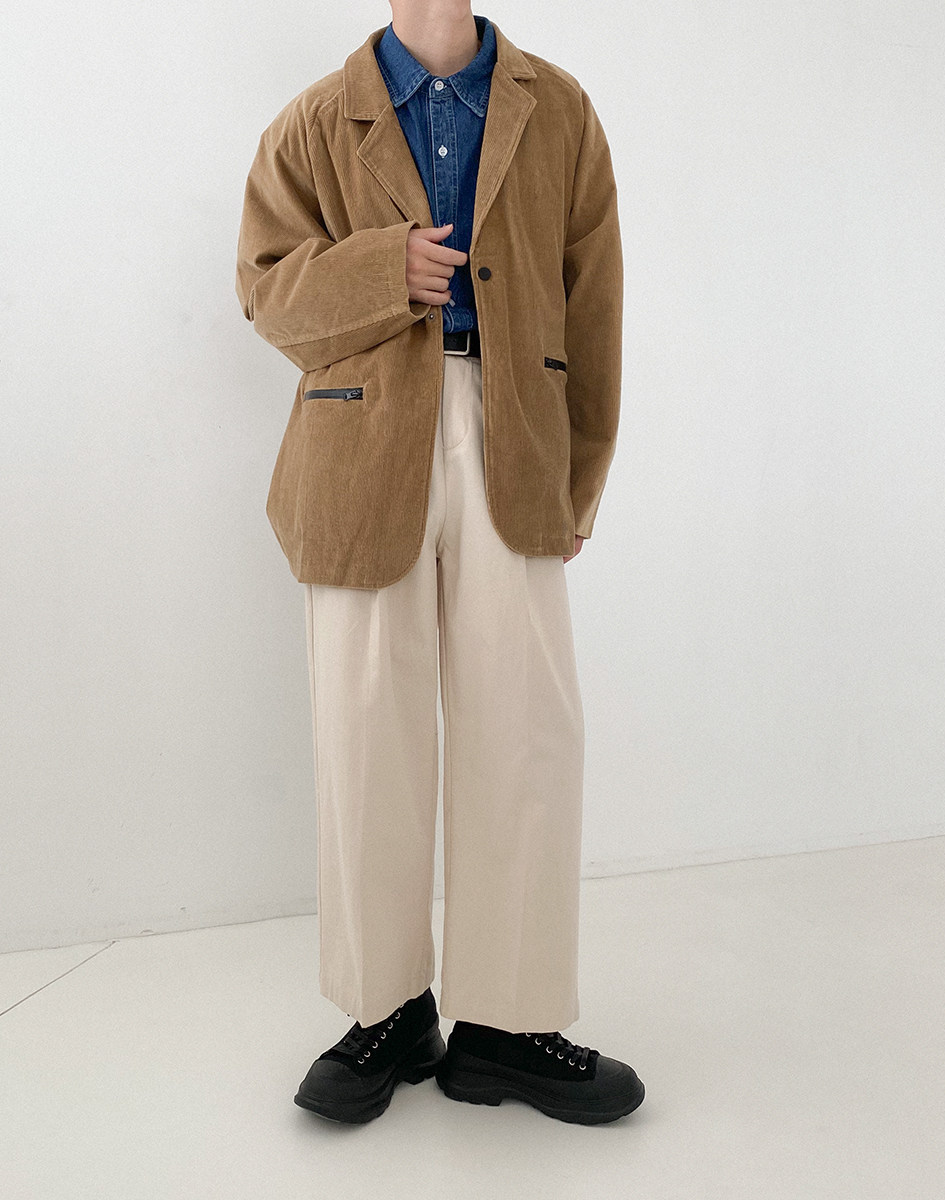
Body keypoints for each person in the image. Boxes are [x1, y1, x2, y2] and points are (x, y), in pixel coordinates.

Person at [235, 1, 644, 1125]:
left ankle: (507, 1025)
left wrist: (581, 476)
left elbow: (595, 303)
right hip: (359, 445)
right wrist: (385, 270)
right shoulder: (317, 119)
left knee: (528, 729)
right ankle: (386, 1008)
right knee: (366, 729)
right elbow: (265, 287)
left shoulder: (559, 110)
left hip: (516, 436)